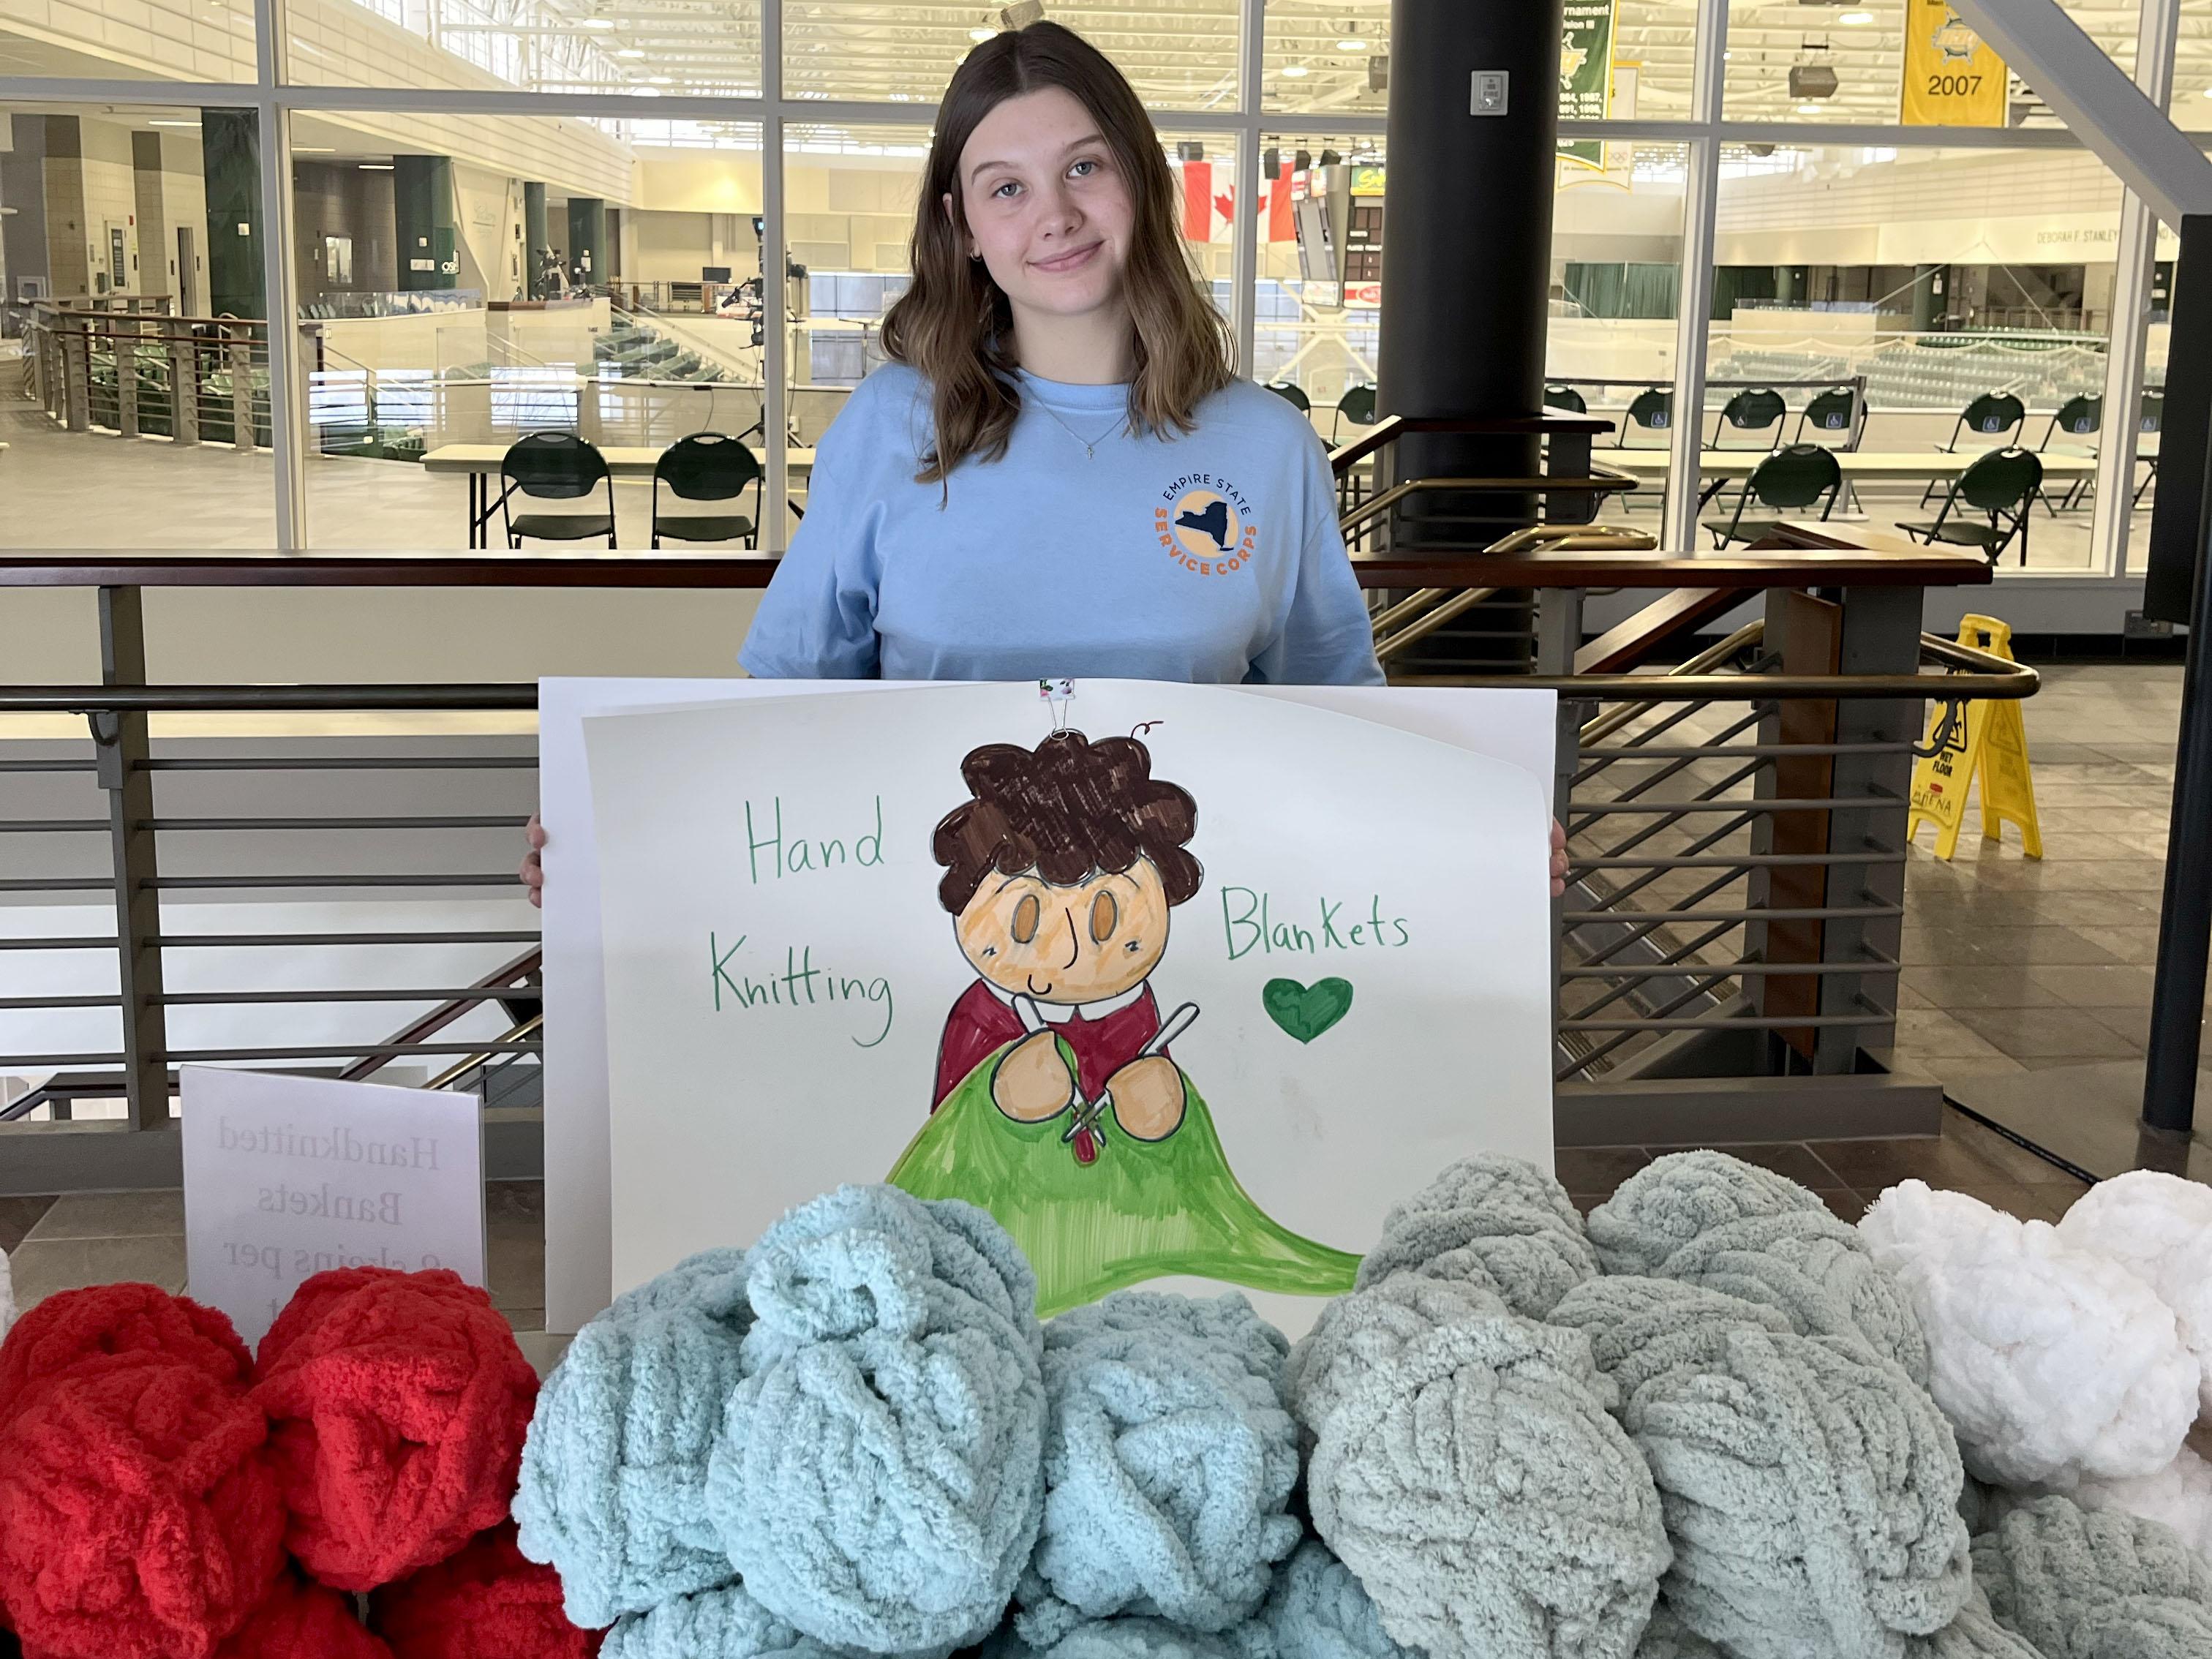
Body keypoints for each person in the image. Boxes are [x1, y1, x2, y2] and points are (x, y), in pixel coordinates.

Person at [520, 20, 1568, 900]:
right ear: (962, 225)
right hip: (915, 944)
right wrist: (621, 826)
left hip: (1200, 957)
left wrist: (1476, 832)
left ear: (1139, 181)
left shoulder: (1266, 448)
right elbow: (785, 708)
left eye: (1082, 166)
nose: (1054, 215)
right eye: (1005, 187)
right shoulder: (891, 429)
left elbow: (1343, 716)